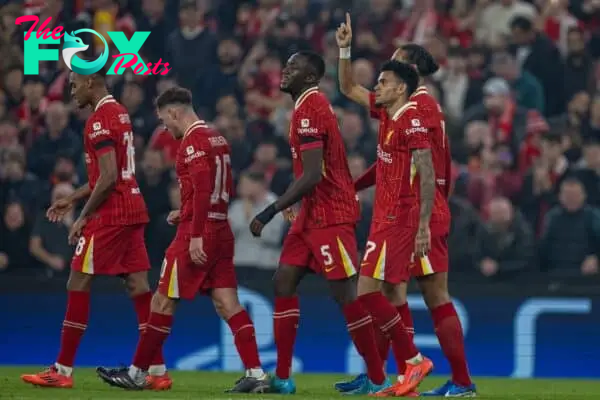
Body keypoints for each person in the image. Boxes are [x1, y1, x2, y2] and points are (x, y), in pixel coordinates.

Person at [336, 13, 476, 397]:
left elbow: (423, 169)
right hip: (399, 209)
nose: (384, 74)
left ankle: (454, 379)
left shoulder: (421, 108)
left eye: (395, 64)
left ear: (409, 73)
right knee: (393, 295)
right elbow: (349, 89)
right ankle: (394, 377)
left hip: (416, 213)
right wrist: (345, 49)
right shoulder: (396, 107)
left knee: (430, 296)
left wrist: (423, 224)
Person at [96, 87, 269, 394]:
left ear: (175, 112)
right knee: (228, 303)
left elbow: (203, 188)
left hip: (198, 233)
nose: (166, 127)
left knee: (161, 300)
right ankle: (256, 373)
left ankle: (137, 373)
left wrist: (196, 232)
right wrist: (186, 210)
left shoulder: (192, 142)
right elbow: (218, 189)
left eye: (165, 120)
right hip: (221, 229)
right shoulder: (218, 138)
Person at [249, 51, 389, 395]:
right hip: (310, 215)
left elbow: (312, 175)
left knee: (346, 296)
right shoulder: (304, 107)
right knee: (283, 281)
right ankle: (282, 377)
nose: (284, 69)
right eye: (287, 63)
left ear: (310, 78)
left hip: (332, 215)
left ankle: (377, 378)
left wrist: (270, 209)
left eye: (294, 67)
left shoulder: (312, 109)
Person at [20, 69, 168, 390]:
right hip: (133, 208)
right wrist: (70, 198)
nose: (72, 92)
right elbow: (106, 176)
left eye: (74, 85)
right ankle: (156, 370)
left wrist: (82, 215)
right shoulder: (120, 113)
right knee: (139, 286)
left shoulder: (98, 120)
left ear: (90, 82)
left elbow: (109, 177)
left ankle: (62, 370)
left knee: (78, 278)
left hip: (112, 214)